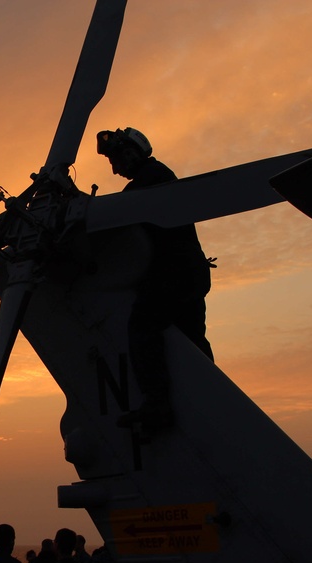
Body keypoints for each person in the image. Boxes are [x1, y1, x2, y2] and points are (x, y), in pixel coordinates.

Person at [97, 127, 214, 435]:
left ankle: (157, 403)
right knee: (192, 339)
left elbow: (118, 213)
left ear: (130, 153)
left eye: (115, 159)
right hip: (188, 275)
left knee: (142, 327)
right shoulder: (156, 178)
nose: (115, 168)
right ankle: (209, 396)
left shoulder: (152, 178)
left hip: (173, 276)